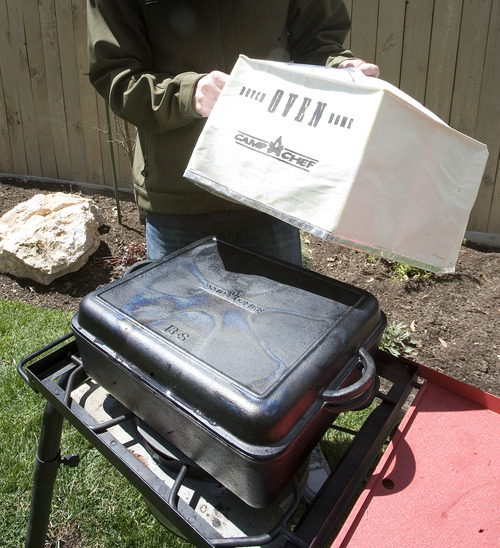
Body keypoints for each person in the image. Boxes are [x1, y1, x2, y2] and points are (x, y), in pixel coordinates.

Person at [87, 0, 379, 504]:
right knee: (182, 350)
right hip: (180, 196)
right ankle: (193, 461)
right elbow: (114, 75)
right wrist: (185, 94)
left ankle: (295, 455)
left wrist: (339, 71)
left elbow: (318, 43)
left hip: (272, 189)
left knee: (289, 348)